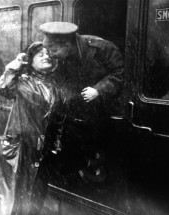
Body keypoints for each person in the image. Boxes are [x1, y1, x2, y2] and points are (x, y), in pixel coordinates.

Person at [0, 42, 64, 215]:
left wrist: (55, 144)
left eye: (48, 53)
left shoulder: (56, 87)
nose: (46, 56)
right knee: (10, 198)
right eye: (40, 54)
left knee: (34, 197)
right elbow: (3, 88)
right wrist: (17, 64)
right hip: (19, 149)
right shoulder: (23, 82)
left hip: (41, 150)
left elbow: (58, 119)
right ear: (31, 61)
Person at [39, 22, 124, 183]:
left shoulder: (100, 48)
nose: (51, 54)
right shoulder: (60, 57)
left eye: (54, 50)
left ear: (67, 44)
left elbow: (121, 71)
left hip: (103, 113)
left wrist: (99, 89)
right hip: (76, 115)